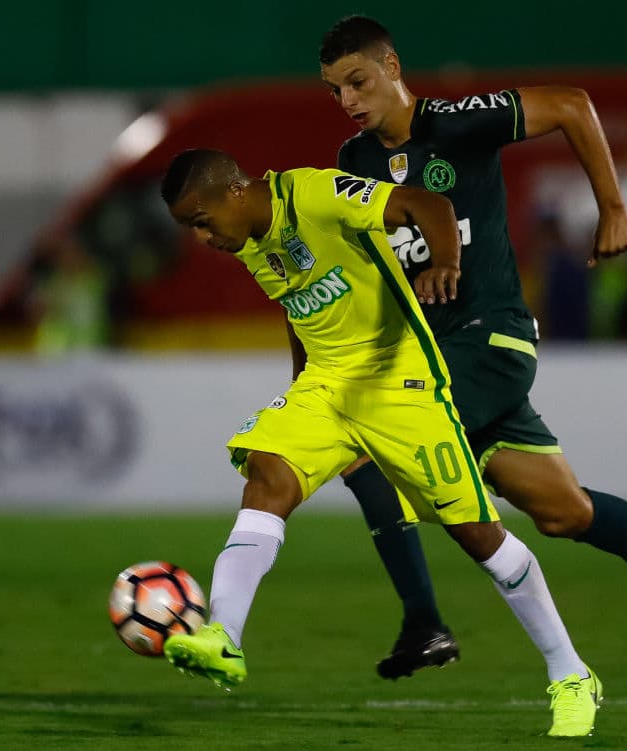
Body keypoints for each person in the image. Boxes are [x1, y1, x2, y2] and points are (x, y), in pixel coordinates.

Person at [318, 15, 627, 680]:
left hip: (490, 340)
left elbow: (572, 104)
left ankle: (423, 622)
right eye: (335, 90)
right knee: (563, 511)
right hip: (436, 359)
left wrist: (613, 207)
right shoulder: (355, 163)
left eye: (357, 81)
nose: (347, 100)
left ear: (392, 67)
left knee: (369, 447)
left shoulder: (457, 122)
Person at [160, 148, 603, 737]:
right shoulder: (248, 240)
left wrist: (445, 262)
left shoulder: (315, 194)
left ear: (235, 191)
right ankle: (224, 636)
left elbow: (428, 204)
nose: (201, 238)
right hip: (327, 386)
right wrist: (300, 383)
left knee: (479, 535)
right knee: (267, 474)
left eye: (201, 221)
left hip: (400, 382)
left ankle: (570, 673)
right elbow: (298, 307)